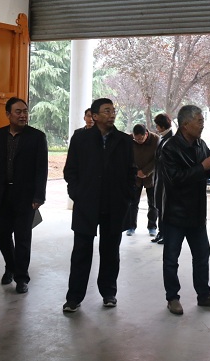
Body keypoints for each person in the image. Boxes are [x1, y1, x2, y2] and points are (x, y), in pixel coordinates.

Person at [62, 98, 137, 312]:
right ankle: (74, 298)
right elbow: (70, 170)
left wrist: (127, 196)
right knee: (81, 252)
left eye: (113, 111)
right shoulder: (81, 138)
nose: (112, 114)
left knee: (110, 252)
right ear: (94, 116)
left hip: (114, 204)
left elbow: (131, 171)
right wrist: (77, 193)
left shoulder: (124, 140)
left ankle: (109, 292)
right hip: (86, 204)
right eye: (106, 111)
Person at [160, 104, 210, 315]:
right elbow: (174, 180)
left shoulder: (200, 144)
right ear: (185, 124)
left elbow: (204, 173)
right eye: (199, 121)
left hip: (197, 212)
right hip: (175, 213)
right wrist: (203, 167)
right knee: (171, 259)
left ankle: (204, 295)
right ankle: (172, 298)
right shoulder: (169, 148)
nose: (202, 125)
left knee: (202, 255)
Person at [0, 97, 48, 294]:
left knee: (22, 238)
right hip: (3, 194)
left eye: (25, 111)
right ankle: (10, 266)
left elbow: (41, 170)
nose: (23, 115)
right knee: (2, 235)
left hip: (26, 197)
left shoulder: (37, 137)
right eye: (18, 112)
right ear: (8, 114)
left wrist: (39, 196)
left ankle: (21, 278)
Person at [126, 124, 159, 237]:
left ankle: (152, 227)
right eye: (136, 139)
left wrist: (145, 171)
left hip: (151, 176)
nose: (138, 141)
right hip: (135, 176)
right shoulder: (130, 140)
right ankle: (131, 226)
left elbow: (157, 159)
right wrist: (137, 172)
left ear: (146, 134)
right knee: (133, 203)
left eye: (141, 138)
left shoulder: (156, 140)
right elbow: (127, 157)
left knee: (153, 203)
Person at [151, 113, 173, 244]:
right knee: (159, 206)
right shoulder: (163, 138)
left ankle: (166, 234)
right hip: (159, 178)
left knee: (166, 208)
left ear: (162, 126)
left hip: (166, 180)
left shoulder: (171, 139)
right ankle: (161, 232)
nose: (156, 128)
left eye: (157, 125)